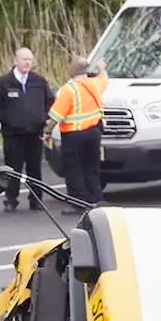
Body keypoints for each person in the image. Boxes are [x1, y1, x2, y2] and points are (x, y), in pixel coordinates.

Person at [0, 47, 55, 212]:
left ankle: (36, 199)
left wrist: (42, 119)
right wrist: (9, 121)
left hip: (34, 133)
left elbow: (50, 101)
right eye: (24, 59)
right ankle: (11, 199)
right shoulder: (4, 83)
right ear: (15, 60)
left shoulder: (39, 81)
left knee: (35, 168)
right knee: (13, 168)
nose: (27, 63)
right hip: (13, 135)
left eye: (30, 60)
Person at [43, 57, 109, 212]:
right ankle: (95, 199)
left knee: (74, 170)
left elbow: (55, 116)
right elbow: (105, 78)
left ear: (72, 70)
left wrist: (46, 132)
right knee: (91, 168)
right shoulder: (94, 83)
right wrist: (101, 67)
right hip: (93, 133)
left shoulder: (69, 89)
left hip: (74, 135)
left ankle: (78, 202)